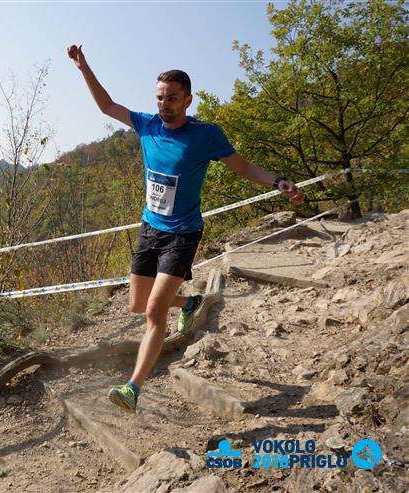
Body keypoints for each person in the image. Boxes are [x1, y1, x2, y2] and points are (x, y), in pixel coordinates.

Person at [67, 44, 304, 413]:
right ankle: (190, 302)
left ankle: (132, 388)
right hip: (150, 229)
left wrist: (277, 181)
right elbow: (107, 106)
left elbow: (243, 168)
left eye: (172, 98)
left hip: (182, 234)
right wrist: (84, 68)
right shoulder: (147, 125)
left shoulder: (206, 135)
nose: (164, 104)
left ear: (188, 100)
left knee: (153, 311)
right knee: (137, 305)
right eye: (160, 97)